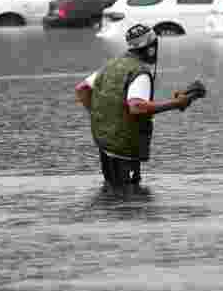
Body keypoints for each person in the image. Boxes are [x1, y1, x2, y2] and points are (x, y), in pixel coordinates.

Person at [74, 23, 192, 187]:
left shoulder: (110, 65)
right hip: (125, 148)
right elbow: (136, 106)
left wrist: (100, 116)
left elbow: (81, 89)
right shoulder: (140, 72)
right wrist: (175, 103)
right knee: (129, 198)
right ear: (150, 48)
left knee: (113, 193)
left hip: (104, 142)